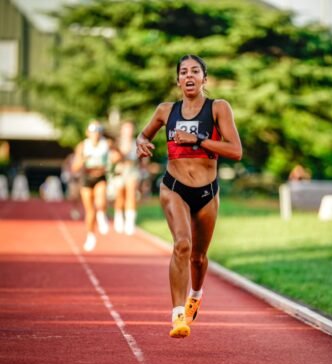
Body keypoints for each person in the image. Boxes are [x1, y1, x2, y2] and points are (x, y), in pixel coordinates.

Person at [136, 54, 242, 338]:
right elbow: (143, 136)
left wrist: (197, 140)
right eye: (184, 72)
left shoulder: (218, 108)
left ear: (204, 79)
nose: (189, 76)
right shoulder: (165, 111)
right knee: (182, 244)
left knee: (198, 257)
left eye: (195, 71)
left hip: (207, 191)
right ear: (178, 80)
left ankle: (195, 294)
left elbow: (235, 151)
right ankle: (178, 315)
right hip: (174, 187)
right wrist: (142, 143)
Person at [72, 120, 121, 252]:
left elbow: (118, 155)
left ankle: (101, 215)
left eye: (98, 131)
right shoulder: (82, 146)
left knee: (100, 201)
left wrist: (114, 158)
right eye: (93, 131)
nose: (96, 134)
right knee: (89, 210)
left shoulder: (107, 144)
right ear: (88, 133)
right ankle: (90, 236)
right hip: (86, 178)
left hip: (100, 177)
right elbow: (74, 168)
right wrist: (83, 160)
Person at [111, 121, 140, 235]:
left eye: (130, 129)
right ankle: (118, 217)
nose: (128, 131)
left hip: (132, 171)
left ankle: (130, 222)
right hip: (120, 172)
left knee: (131, 194)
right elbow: (113, 159)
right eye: (126, 129)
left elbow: (141, 158)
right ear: (122, 130)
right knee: (120, 196)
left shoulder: (136, 143)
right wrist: (120, 155)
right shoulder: (117, 143)